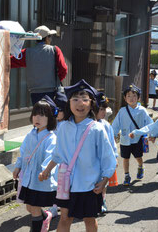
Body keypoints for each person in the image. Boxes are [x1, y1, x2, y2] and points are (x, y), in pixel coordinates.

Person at [39, 79, 116, 232]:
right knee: (65, 218)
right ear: (69, 103)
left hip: (90, 185)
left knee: (89, 219)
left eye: (84, 99)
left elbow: (108, 156)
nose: (80, 103)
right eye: (75, 99)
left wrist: (105, 179)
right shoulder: (63, 127)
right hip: (67, 184)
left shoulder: (97, 129)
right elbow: (58, 154)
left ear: (91, 103)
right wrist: (47, 170)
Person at [13, 96, 58, 232]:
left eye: (43, 115)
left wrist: (45, 171)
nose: (38, 118)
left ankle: (38, 227)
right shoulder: (29, 135)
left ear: (50, 118)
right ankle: (46, 217)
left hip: (40, 180)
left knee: (34, 209)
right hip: (28, 179)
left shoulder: (51, 138)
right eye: (35, 114)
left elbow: (51, 156)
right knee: (30, 207)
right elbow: (23, 152)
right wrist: (17, 166)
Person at [10, 25, 68, 105]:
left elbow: (10, 61)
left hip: (35, 92)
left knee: (39, 115)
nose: (50, 39)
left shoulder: (27, 52)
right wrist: (57, 79)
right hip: (52, 90)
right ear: (47, 38)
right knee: (52, 114)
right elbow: (63, 69)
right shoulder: (55, 50)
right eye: (50, 36)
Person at [112, 84, 153, 186]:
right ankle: (127, 175)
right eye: (129, 96)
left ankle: (140, 166)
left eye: (134, 96)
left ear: (138, 98)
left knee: (138, 156)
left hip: (137, 139)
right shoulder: (122, 111)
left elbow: (150, 123)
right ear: (125, 98)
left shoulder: (142, 110)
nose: (131, 98)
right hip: (125, 139)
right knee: (125, 158)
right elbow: (116, 124)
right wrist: (113, 134)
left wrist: (151, 133)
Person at [95, 92, 118, 213]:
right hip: (93, 160)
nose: (103, 112)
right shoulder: (89, 124)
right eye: (100, 109)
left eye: (104, 109)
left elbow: (112, 143)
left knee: (103, 182)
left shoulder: (106, 125)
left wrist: (114, 157)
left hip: (104, 159)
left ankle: (103, 200)